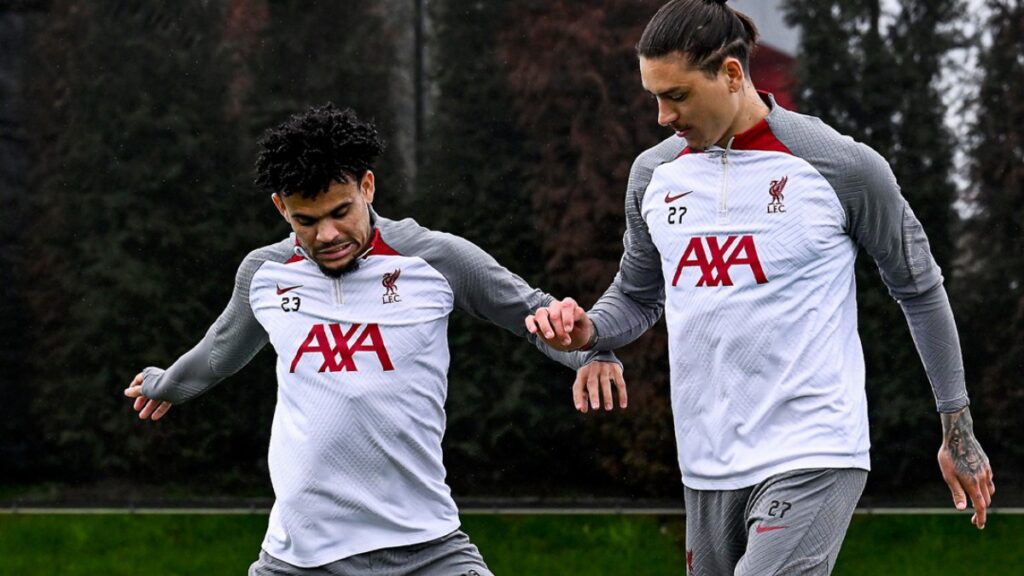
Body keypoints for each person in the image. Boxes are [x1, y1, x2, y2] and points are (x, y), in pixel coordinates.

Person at [525, 0, 995, 574]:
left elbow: (919, 289)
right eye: (654, 97)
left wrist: (957, 424)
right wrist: (591, 329)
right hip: (706, 463)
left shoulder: (841, 167)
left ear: (730, 74)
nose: (661, 117)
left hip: (814, 449)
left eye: (676, 96)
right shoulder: (653, 176)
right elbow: (639, 295)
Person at [123, 104, 625, 576]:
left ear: (368, 186)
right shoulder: (264, 274)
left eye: (341, 211)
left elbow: (536, 314)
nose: (327, 235)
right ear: (281, 208)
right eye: (307, 220)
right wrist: (165, 384)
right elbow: (218, 352)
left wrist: (592, 352)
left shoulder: (435, 259)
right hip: (298, 558)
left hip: (427, 549)